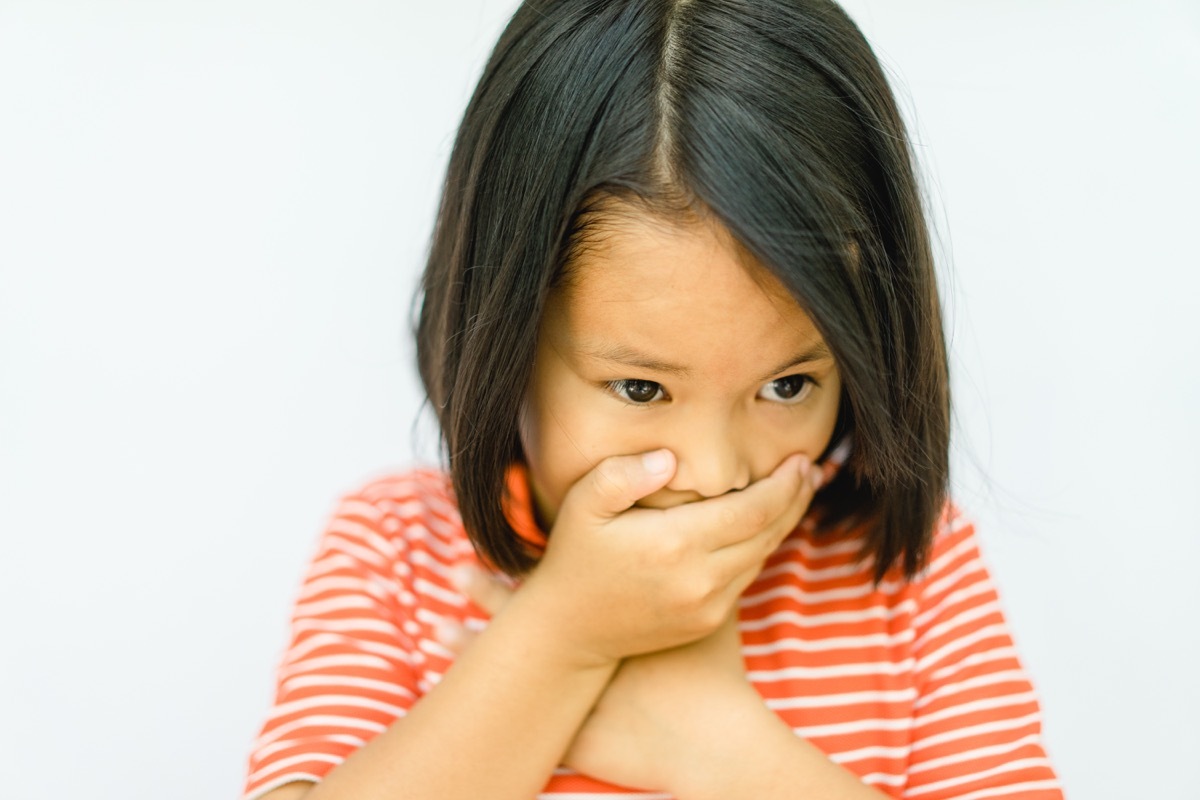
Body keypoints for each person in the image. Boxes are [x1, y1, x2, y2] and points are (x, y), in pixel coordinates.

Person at [241, 1, 1063, 797]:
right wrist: (561, 637)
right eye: (640, 388)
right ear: (506, 340)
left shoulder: (909, 570)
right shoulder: (395, 554)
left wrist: (723, 751)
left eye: (788, 385)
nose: (711, 474)